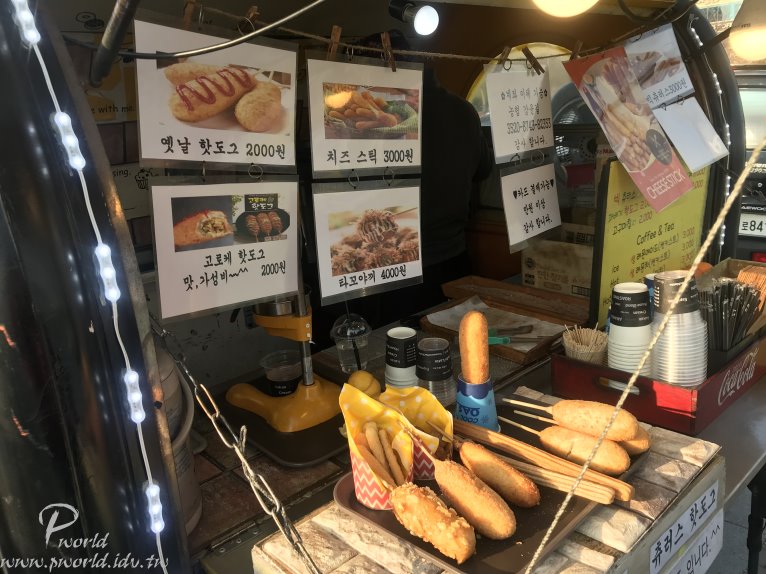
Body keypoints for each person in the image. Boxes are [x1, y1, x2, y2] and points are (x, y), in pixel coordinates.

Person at [374, 31, 495, 321]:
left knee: (392, 345)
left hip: (394, 270)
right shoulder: (464, 110)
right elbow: (483, 170)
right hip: (454, 259)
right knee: (455, 341)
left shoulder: (387, 113)